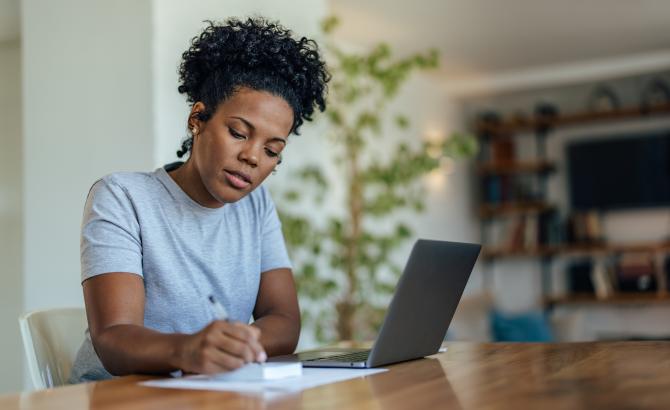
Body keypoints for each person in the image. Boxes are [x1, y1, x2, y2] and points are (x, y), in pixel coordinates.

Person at [69, 17, 329, 383]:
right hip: (120, 397)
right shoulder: (123, 197)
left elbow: (284, 320)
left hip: (210, 392)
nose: (253, 157)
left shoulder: (256, 207)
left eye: (272, 150)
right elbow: (113, 337)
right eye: (239, 133)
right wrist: (189, 349)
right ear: (198, 118)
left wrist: (237, 346)